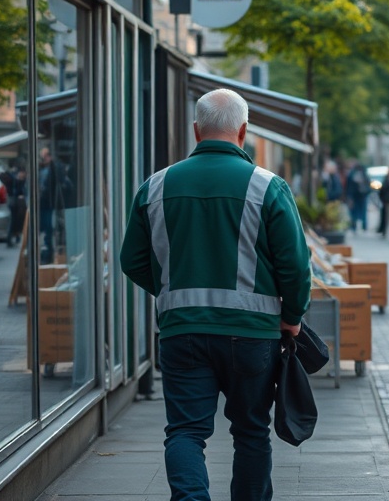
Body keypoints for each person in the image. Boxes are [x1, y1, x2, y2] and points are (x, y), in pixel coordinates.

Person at [120, 88, 312, 501]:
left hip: (182, 333)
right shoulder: (267, 187)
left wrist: (174, 289)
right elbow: (295, 266)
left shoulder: (155, 187)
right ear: (243, 131)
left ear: (196, 130)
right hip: (252, 336)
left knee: (186, 431)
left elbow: (131, 260)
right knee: (250, 432)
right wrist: (292, 316)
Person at [346, 161, 371, 232]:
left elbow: (349, 186)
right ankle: (362, 225)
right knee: (360, 211)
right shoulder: (363, 174)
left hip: (358, 195)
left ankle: (356, 225)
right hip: (360, 195)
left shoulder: (352, 174)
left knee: (356, 211)